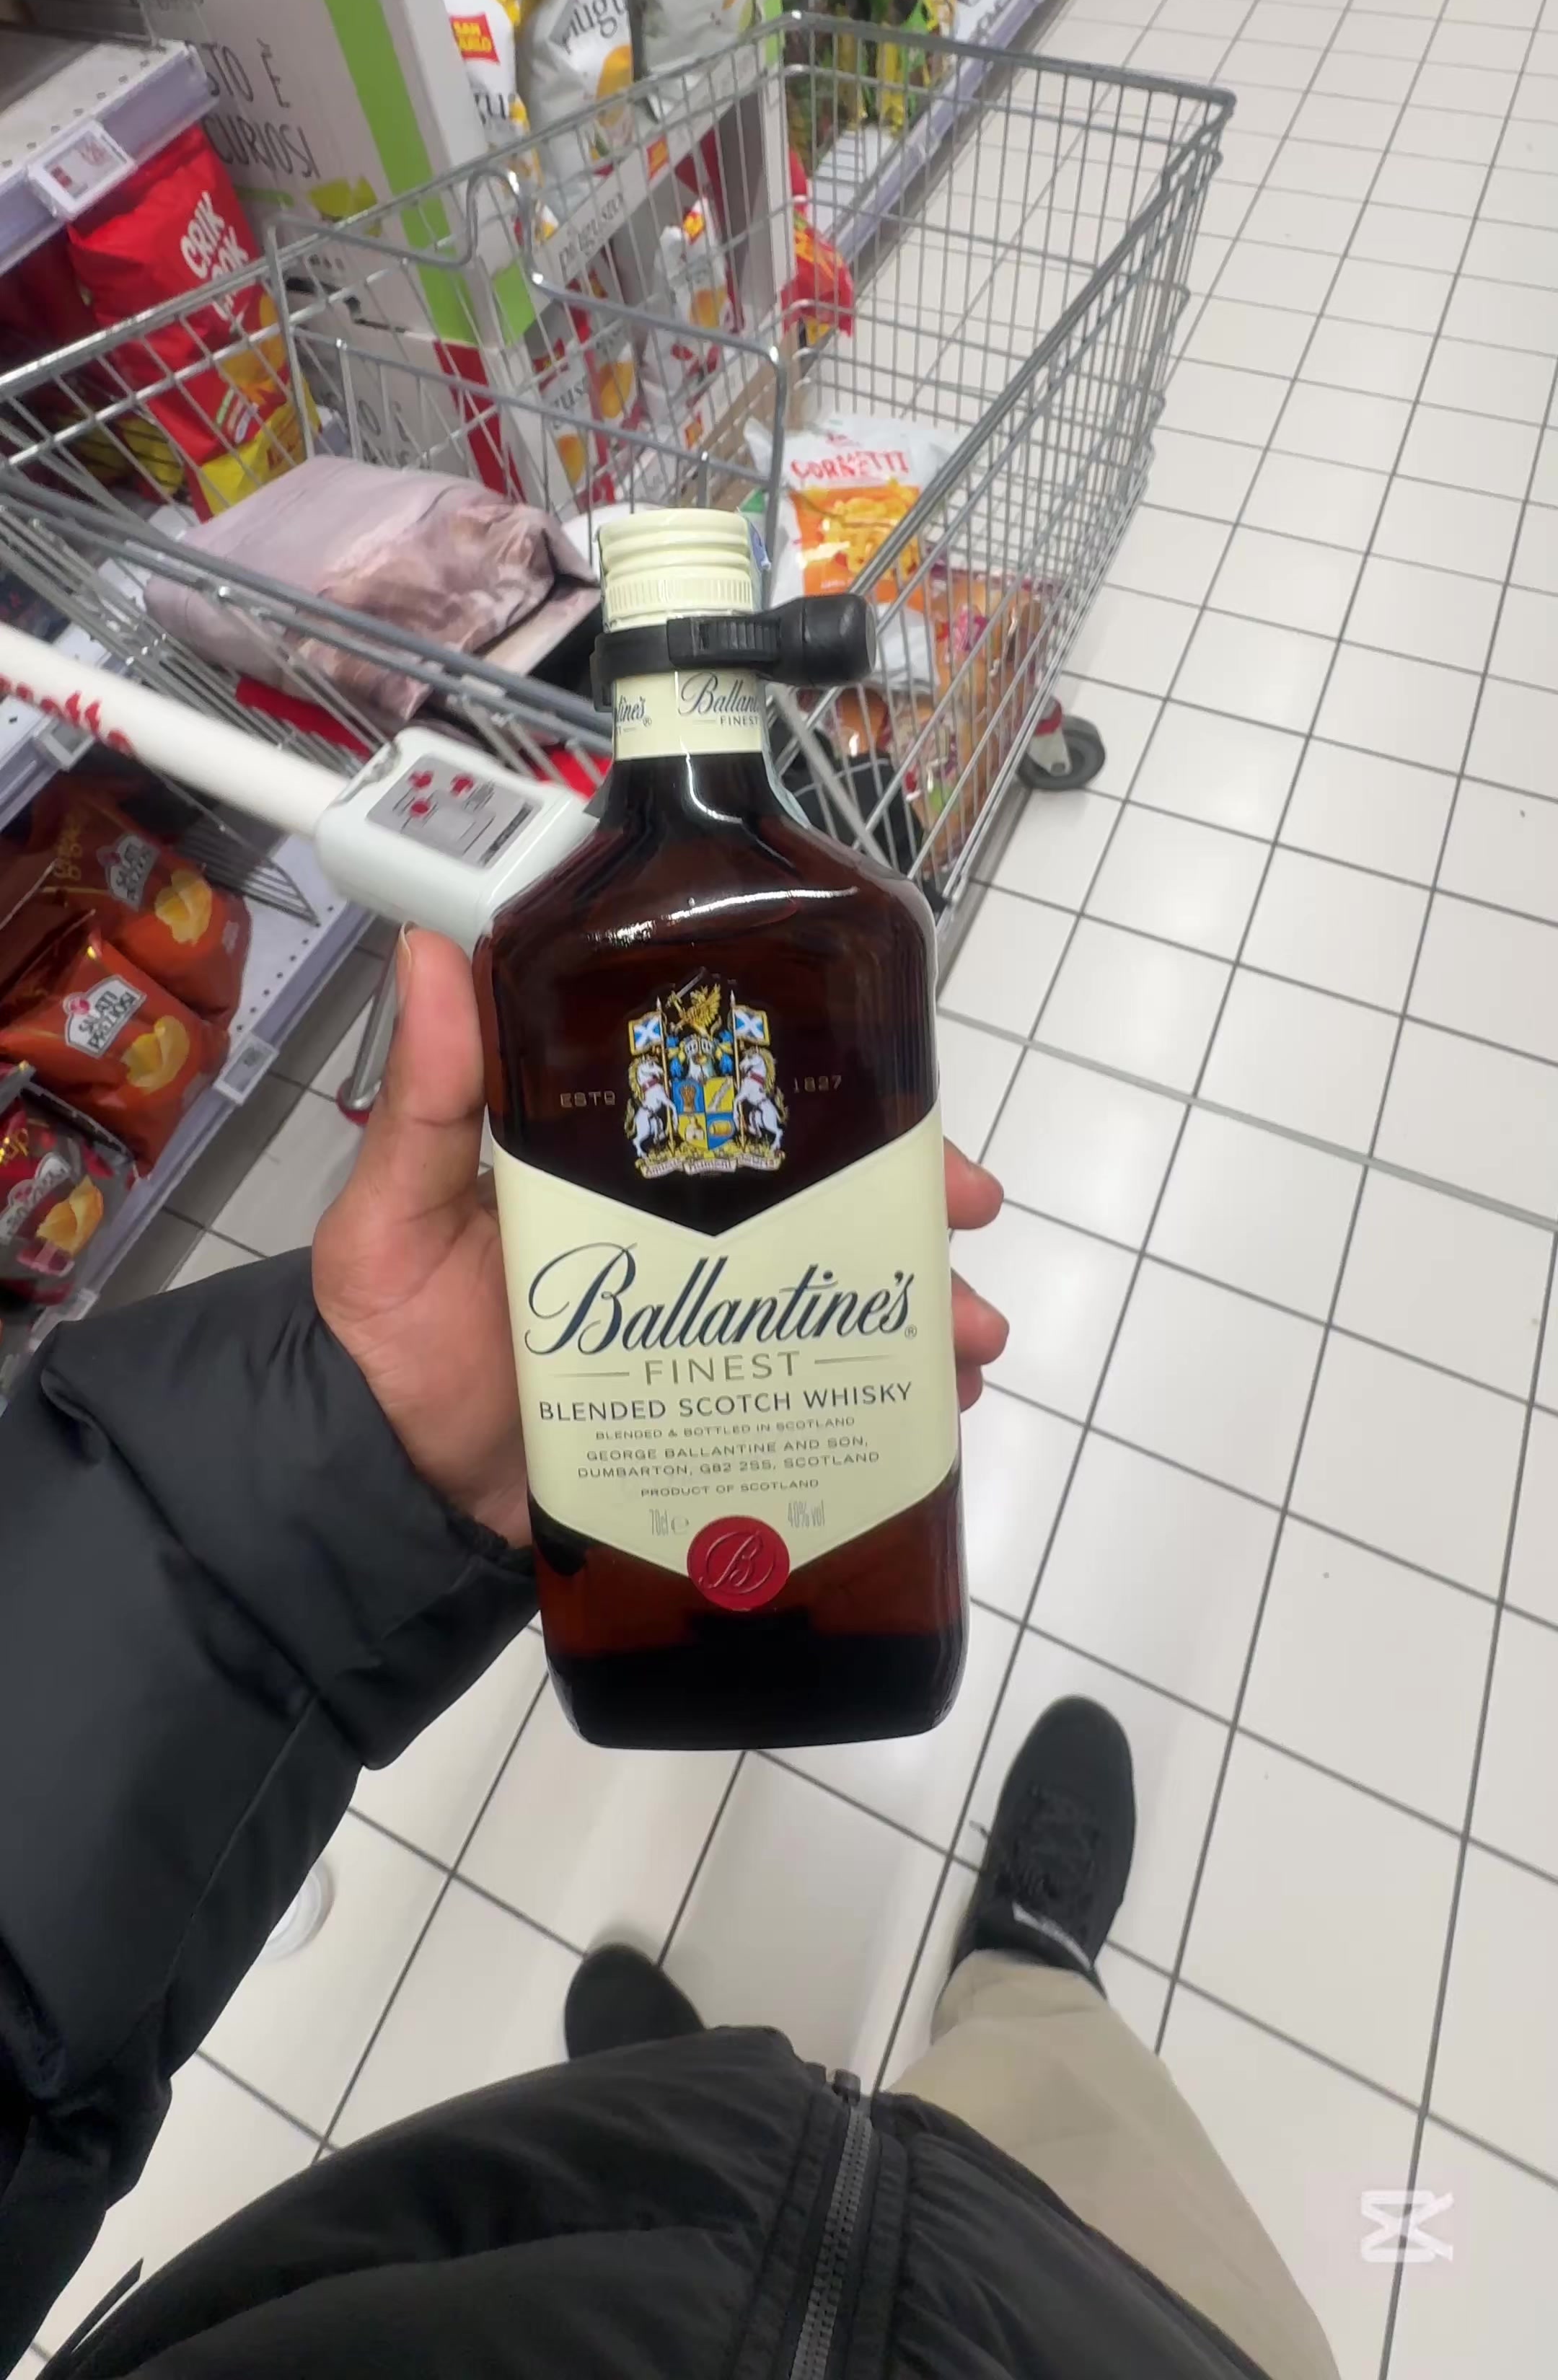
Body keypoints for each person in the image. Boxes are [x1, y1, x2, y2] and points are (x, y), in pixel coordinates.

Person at [0, 932, 1340, 2380]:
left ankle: (720, 2086)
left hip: (569, 2235)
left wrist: (355, 1457)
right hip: (1108, 2331)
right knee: (1101, 2147)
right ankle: (1018, 1985)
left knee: (684, 2141)